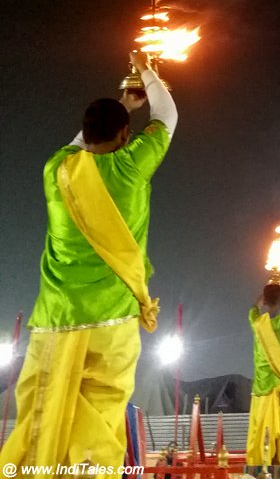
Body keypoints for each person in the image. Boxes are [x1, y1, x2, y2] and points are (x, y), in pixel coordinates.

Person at [0, 50, 178, 477]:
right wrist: (148, 73)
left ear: (83, 131)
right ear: (124, 135)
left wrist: (121, 104)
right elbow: (167, 117)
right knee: (98, 420)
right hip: (110, 323)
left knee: (40, 419)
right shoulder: (131, 167)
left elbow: (77, 146)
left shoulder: (56, 170)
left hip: (53, 320)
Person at [246, 276, 280, 468]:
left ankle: (257, 472)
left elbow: (253, 311)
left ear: (265, 300)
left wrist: (257, 302)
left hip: (262, 391)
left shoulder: (257, 324)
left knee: (260, 435)